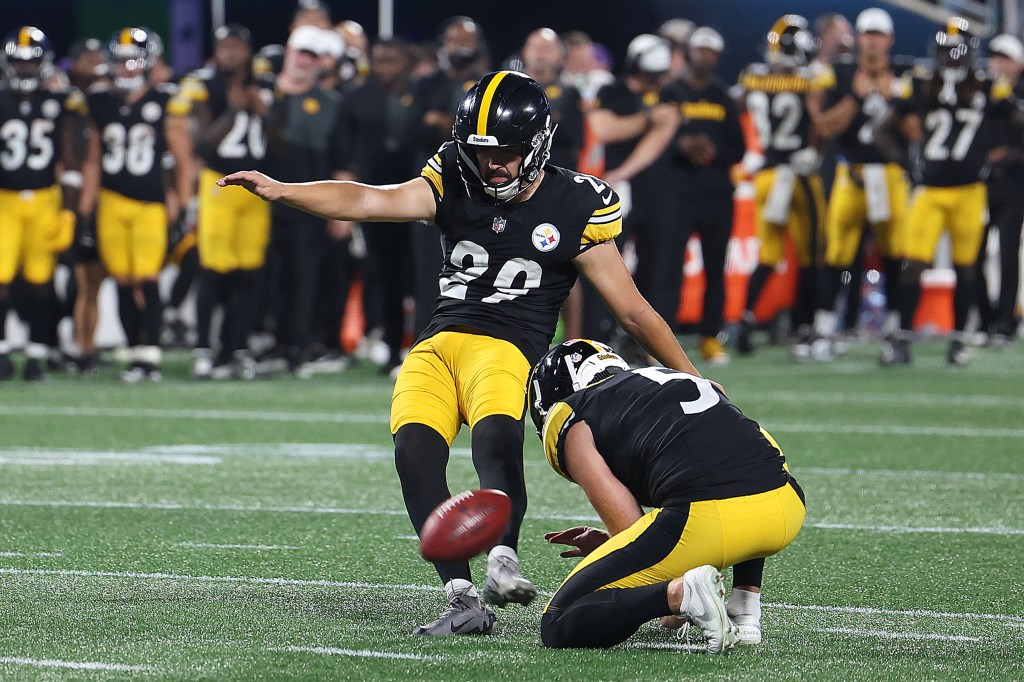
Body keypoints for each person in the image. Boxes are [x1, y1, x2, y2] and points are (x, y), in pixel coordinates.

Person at [219, 71, 703, 636]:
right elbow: (370, 200)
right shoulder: (452, 173)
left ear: (538, 145)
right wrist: (284, 190)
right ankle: (460, 597)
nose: (492, 165)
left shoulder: (576, 202)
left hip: (506, 345)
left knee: (496, 440)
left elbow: (633, 312)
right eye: (482, 153)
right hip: (436, 343)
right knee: (413, 451)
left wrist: (692, 378)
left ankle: (504, 561)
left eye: (505, 154)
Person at [529, 339, 805, 653]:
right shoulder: (670, 378)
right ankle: (744, 606)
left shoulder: (570, 413)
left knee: (557, 621)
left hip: (711, 519)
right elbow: (754, 448)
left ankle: (684, 594)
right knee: (735, 458)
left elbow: (628, 522)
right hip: (787, 505)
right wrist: (615, 547)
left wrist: (665, 598)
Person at [883, 17, 1024, 365]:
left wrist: (1012, 153)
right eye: (945, 51)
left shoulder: (989, 86)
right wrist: (907, 163)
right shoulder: (921, 82)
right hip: (930, 189)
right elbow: (881, 128)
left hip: (969, 190)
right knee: (913, 263)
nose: (951, 58)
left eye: (956, 52)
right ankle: (901, 338)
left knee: (967, 267)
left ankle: (958, 341)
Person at [606, 27, 745, 366]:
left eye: (710, 51)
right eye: (699, 49)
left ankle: (711, 337)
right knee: (667, 269)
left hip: (715, 195)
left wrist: (711, 152)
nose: (704, 56)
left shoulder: (723, 96)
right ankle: (658, 340)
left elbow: (738, 147)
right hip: (677, 194)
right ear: (690, 52)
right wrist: (682, 145)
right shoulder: (670, 92)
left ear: (717, 57)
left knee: (716, 267)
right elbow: (658, 137)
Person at [83, 27, 195, 382]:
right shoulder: (100, 101)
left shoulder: (165, 100)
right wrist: (86, 208)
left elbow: (183, 159)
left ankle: (151, 355)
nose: (126, 68)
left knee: (147, 279)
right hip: (113, 201)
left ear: (148, 63)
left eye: (133, 61)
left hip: (150, 203)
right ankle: (135, 353)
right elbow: (93, 158)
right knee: (121, 279)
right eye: (120, 61)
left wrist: (183, 200)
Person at [806, 8, 910, 360]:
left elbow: (915, 131)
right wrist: (857, 96)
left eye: (878, 35)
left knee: (895, 255)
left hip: (890, 175)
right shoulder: (841, 74)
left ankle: (894, 333)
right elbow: (824, 128)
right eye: (867, 34)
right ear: (859, 38)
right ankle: (824, 332)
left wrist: (893, 100)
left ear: (890, 40)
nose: (872, 41)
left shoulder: (904, 76)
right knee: (836, 255)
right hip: (851, 174)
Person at [733, 15, 830, 358]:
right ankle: (808, 329)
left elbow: (741, 106)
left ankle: (743, 322)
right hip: (797, 172)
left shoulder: (753, 79)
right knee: (813, 253)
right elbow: (819, 123)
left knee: (768, 255)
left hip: (766, 174)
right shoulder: (810, 80)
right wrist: (814, 151)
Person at [0, 26, 92, 381]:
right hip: (5, 200)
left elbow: (71, 159)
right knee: (2, 279)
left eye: (30, 62)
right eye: (18, 62)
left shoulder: (61, 101)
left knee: (41, 280)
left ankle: (38, 352)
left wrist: (69, 209)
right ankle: (4, 351)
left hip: (44, 198)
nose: (24, 69)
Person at [182, 23, 273, 379]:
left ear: (247, 51)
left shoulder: (265, 85)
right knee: (213, 271)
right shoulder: (203, 85)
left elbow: (279, 144)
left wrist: (263, 113)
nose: (230, 54)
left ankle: (237, 347)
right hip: (218, 183)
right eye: (224, 47)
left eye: (236, 47)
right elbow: (202, 145)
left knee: (249, 272)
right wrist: (234, 111)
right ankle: (204, 348)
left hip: (256, 188)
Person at [975, 33, 1024, 344]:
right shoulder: (979, 92)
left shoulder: (1015, 96)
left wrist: (1011, 154)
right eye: (995, 57)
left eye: (1005, 58)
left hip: (1015, 181)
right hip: (980, 182)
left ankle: (1005, 319)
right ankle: (985, 316)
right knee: (971, 254)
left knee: (1007, 253)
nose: (998, 63)